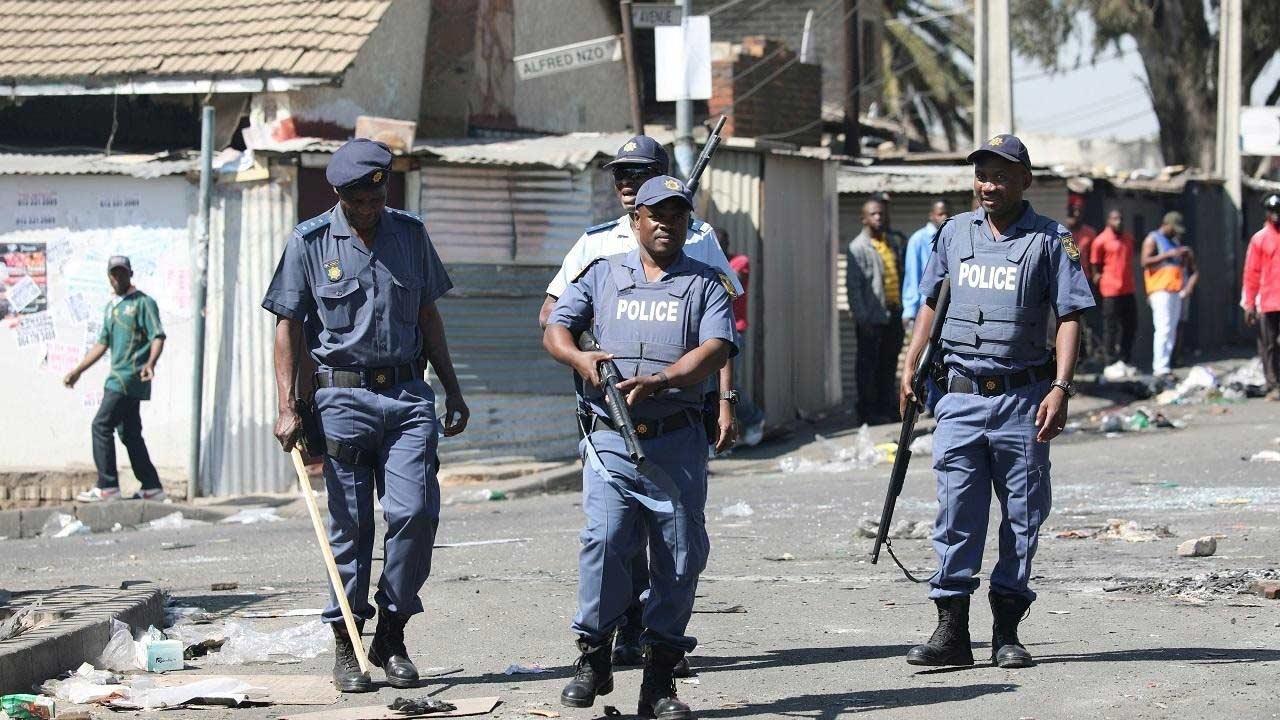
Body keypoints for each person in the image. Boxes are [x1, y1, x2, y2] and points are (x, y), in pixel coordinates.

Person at [261, 138, 470, 693]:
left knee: (416, 513)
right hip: (341, 400)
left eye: (378, 195)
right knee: (351, 527)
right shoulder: (308, 242)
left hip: (406, 397)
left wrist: (452, 389)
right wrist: (288, 406)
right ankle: (348, 644)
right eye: (360, 199)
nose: (371, 207)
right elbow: (288, 326)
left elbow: (428, 315)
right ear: (340, 195)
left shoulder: (411, 234)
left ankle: (392, 631)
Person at [539, 135, 738, 671]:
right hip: (611, 423)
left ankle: (661, 656)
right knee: (608, 538)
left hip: (676, 422)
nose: (626, 183)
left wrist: (724, 401)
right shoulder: (599, 251)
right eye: (621, 175)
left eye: (638, 173)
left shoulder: (700, 247)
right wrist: (584, 359)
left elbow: (719, 341)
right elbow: (554, 317)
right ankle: (602, 645)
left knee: (675, 547)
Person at [899, 134, 1094, 669]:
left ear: (1025, 181)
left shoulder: (1052, 240)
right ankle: (951, 635)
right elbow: (931, 302)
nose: (990, 185)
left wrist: (1061, 387)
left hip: (1023, 399)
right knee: (956, 514)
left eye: (1002, 175)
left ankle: (1006, 632)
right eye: (983, 175)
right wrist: (912, 361)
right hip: (959, 398)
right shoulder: (952, 235)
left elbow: (1071, 315)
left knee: (1023, 517)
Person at [63, 255, 167, 503]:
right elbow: (102, 343)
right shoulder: (111, 307)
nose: (117, 277)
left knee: (101, 425)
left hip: (129, 376)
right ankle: (152, 487)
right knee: (130, 432)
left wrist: (151, 363)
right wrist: (78, 370)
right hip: (118, 375)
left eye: (122, 272)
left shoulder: (143, 303)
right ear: (108, 277)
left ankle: (107, 485)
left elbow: (158, 336)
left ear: (131, 273)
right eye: (113, 273)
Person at [847, 198, 905, 424]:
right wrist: (862, 319)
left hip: (893, 314)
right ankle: (867, 412)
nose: (879, 218)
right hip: (871, 318)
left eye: (881, 214)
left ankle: (886, 407)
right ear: (864, 218)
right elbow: (853, 287)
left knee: (888, 364)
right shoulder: (858, 247)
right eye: (873, 214)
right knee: (868, 367)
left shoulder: (890, 242)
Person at [718, 226, 765, 446]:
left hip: (734, 331)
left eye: (720, 244)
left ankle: (754, 418)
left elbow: (730, 287)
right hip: (711, 333)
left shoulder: (740, 262)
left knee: (731, 384)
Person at [1141, 211, 1199, 379]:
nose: (1176, 232)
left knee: (1172, 330)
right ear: (1166, 224)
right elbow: (1145, 262)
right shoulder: (1154, 239)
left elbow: (1190, 268)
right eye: (1174, 228)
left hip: (1175, 290)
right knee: (1163, 328)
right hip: (1160, 290)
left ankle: (1166, 365)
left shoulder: (1174, 242)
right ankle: (1160, 367)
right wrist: (1168, 255)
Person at [1242, 193, 1280, 400]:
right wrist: (1249, 303)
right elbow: (1251, 272)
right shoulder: (1260, 239)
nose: (1276, 216)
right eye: (1272, 211)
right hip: (1268, 301)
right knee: (1269, 345)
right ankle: (1273, 384)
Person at [1089, 209, 1138, 367]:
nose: (1119, 222)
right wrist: (1097, 277)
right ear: (1109, 221)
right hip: (1111, 290)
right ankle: (1109, 360)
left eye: (1121, 218)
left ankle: (1125, 358)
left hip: (1128, 288)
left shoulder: (1128, 238)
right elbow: (1094, 262)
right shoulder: (1101, 240)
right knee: (1111, 327)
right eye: (1115, 219)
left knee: (1131, 325)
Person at [902, 199, 950, 329]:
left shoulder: (952, 237)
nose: (944, 217)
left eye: (947, 214)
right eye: (940, 214)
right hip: (925, 308)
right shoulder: (918, 239)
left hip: (947, 310)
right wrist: (910, 312)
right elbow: (912, 277)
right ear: (931, 215)